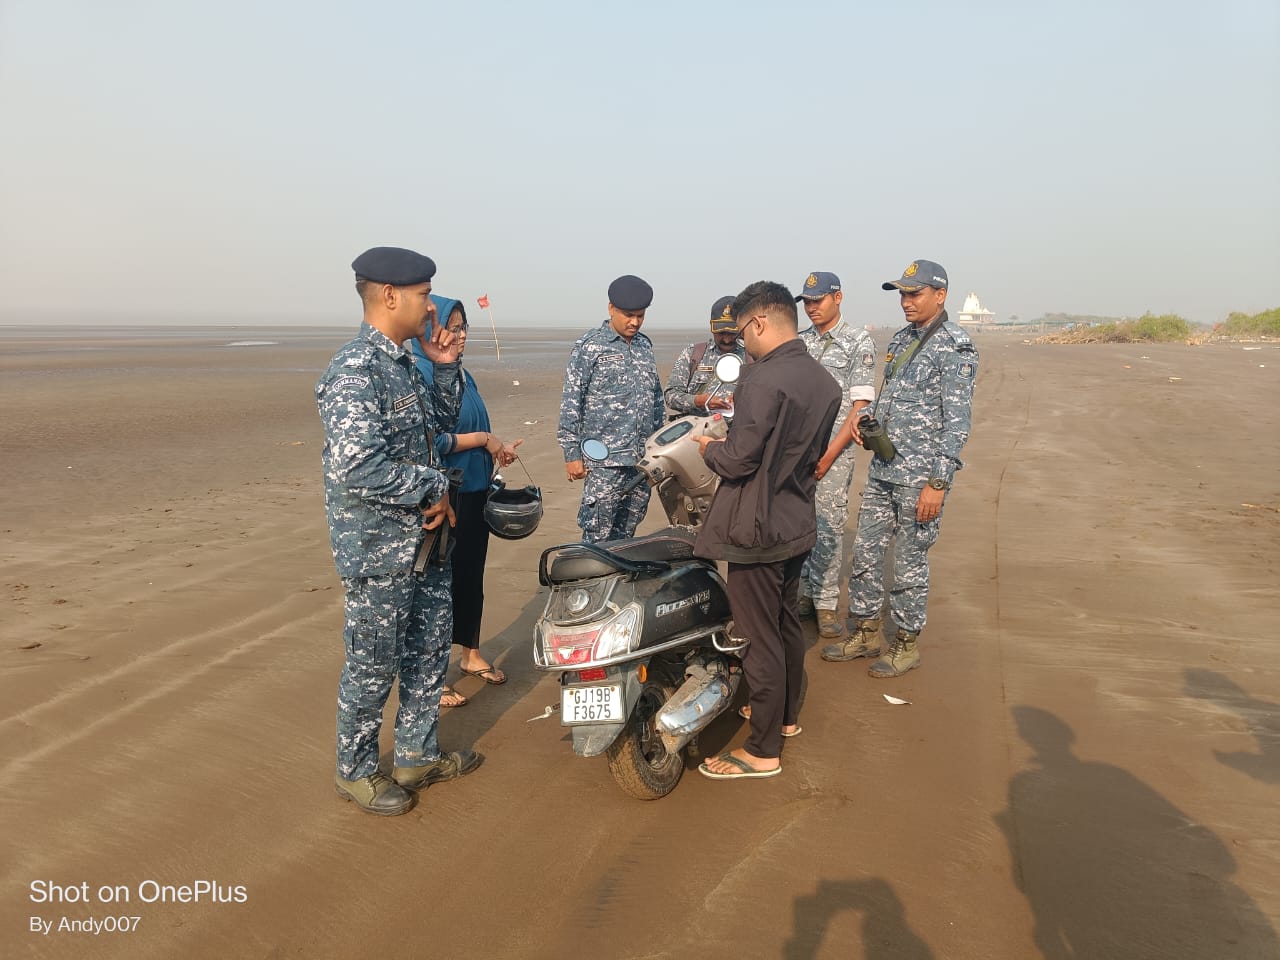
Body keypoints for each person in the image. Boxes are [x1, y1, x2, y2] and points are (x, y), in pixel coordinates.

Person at [316, 247, 482, 816]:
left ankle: (416, 753)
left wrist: (442, 366)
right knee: (373, 661)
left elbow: (436, 433)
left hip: (426, 544)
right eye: (422, 294)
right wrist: (431, 486)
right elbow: (356, 465)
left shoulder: (405, 363)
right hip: (380, 550)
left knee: (429, 651)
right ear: (389, 295)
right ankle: (356, 771)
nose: (430, 305)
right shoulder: (354, 369)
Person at [691, 281, 841, 779]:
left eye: (742, 332)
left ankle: (762, 750)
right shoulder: (824, 381)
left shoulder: (761, 379)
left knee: (758, 638)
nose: (742, 342)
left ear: (757, 323)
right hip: (797, 520)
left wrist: (706, 447)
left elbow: (737, 460)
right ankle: (787, 719)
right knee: (785, 626)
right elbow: (812, 455)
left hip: (755, 529)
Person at [822, 259, 979, 678]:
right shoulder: (904, 338)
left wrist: (938, 483)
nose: (906, 302)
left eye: (915, 294)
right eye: (903, 294)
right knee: (867, 554)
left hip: (920, 477)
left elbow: (957, 421)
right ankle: (867, 631)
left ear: (939, 295)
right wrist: (864, 416)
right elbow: (891, 395)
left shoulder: (955, 345)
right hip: (884, 468)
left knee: (910, 560)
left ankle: (907, 642)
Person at [409, 296, 522, 706]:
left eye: (462, 328)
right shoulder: (420, 374)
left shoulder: (462, 376)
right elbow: (429, 441)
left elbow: (475, 424)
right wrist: (481, 440)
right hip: (444, 494)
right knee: (440, 587)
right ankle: (432, 677)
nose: (458, 336)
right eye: (450, 328)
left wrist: (498, 447)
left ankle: (470, 654)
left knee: (472, 576)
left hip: (474, 487)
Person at [795, 271, 878, 642]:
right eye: (807, 302)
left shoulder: (858, 342)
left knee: (828, 524)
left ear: (838, 298)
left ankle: (826, 603)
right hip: (797, 452)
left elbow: (859, 406)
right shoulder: (799, 343)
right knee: (797, 523)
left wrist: (828, 456)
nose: (812, 308)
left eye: (818, 300)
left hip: (836, 449)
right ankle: (802, 594)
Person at [557, 274, 664, 543]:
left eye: (640, 316)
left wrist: (659, 446)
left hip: (640, 462)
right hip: (605, 463)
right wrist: (572, 454)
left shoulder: (644, 346)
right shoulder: (590, 346)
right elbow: (572, 401)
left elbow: (656, 400)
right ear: (611, 309)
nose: (635, 322)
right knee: (597, 538)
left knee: (626, 536)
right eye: (629, 315)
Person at [663, 295, 749, 416]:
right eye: (721, 333)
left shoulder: (752, 357)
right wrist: (698, 401)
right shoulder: (693, 354)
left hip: (737, 433)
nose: (727, 339)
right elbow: (670, 396)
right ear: (712, 327)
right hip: (698, 431)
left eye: (732, 333)